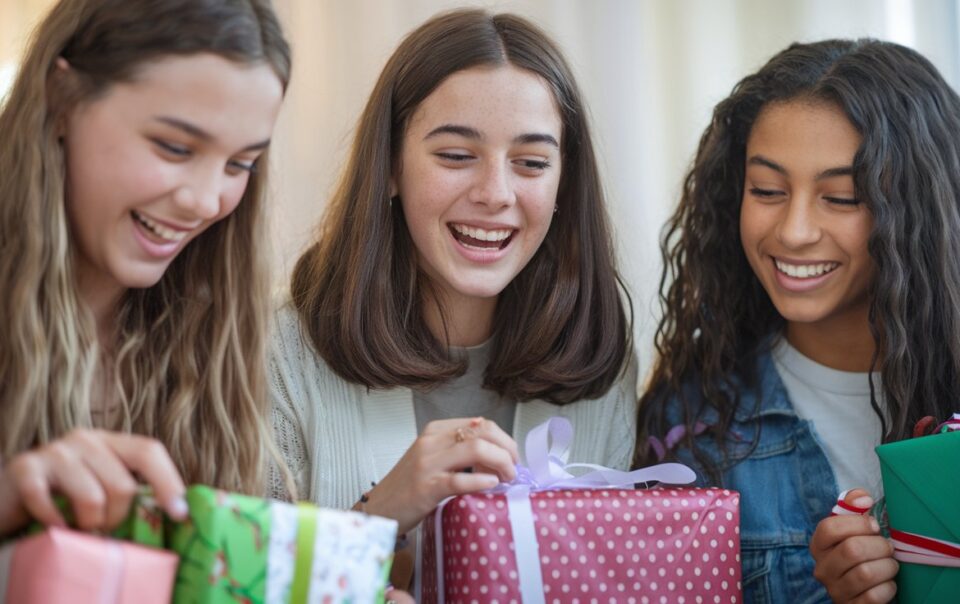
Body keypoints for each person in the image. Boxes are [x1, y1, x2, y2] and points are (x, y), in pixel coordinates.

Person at [269, 8, 637, 540]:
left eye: (532, 163)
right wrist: (376, 519)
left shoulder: (601, 362)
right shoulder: (281, 351)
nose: (495, 193)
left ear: (564, 184)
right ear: (390, 166)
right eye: (457, 155)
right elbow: (232, 584)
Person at [634, 39, 960, 603]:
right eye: (767, 190)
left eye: (841, 196)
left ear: (917, 213)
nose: (793, 230)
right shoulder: (692, 425)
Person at [0, 0, 289, 538]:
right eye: (175, 147)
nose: (206, 202)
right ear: (62, 100)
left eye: (240, 164)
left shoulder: (212, 340)